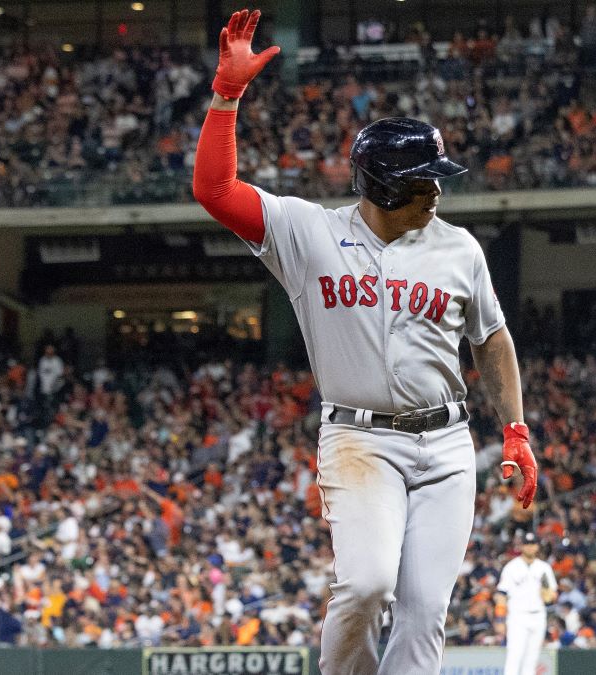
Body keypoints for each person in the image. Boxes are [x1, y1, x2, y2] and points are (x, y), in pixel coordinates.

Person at [192, 10, 538, 674]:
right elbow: (214, 189)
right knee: (368, 583)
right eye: (423, 181)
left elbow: (491, 338)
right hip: (360, 440)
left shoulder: (457, 247)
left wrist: (515, 429)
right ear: (382, 187)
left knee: (421, 611)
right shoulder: (309, 233)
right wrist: (226, 99)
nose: (437, 191)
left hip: (445, 443)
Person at [496, 532, 557, 675]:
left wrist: (547, 592)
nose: (530, 547)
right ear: (522, 546)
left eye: (533, 544)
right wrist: (500, 620)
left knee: (531, 661)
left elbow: (551, 598)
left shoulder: (544, 568)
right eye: (527, 544)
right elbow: (501, 595)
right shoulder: (511, 567)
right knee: (514, 658)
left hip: (538, 616)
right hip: (518, 616)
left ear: (537, 547)